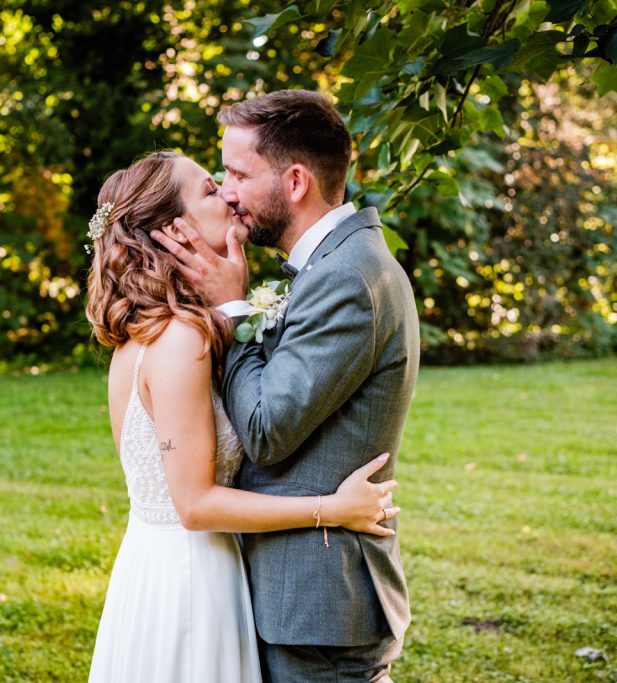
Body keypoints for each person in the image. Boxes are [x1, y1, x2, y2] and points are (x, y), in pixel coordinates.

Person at [84, 150, 401, 682]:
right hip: (192, 580)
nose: (229, 195)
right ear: (173, 231)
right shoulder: (180, 340)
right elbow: (194, 504)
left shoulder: (143, 336)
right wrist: (332, 509)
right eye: (210, 189)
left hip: (156, 568)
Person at [151, 90, 420, 682]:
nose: (226, 191)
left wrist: (231, 306)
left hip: (319, 602)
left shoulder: (347, 277)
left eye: (239, 173)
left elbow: (267, 429)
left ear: (295, 181)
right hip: (303, 599)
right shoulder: (334, 266)